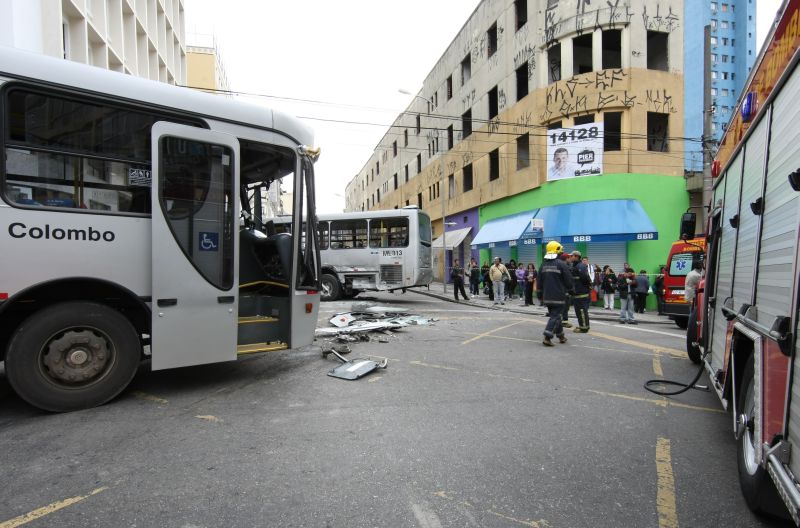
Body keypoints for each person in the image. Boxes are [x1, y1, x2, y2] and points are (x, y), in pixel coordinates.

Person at [538, 241, 575, 346]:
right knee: (556, 316)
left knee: (556, 315)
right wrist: (572, 291)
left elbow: (539, 282)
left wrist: (540, 295)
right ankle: (547, 336)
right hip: (559, 296)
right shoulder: (561, 264)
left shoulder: (543, 264)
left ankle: (561, 336)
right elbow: (568, 280)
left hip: (546, 296)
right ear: (557, 251)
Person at [569, 251, 592, 332]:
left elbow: (585, 279)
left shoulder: (580, 266)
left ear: (576, 256)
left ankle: (584, 328)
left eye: (572, 256)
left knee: (582, 311)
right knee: (579, 311)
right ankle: (582, 326)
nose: (570, 257)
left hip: (581, 294)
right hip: (577, 293)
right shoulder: (575, 266)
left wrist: (586, 287)